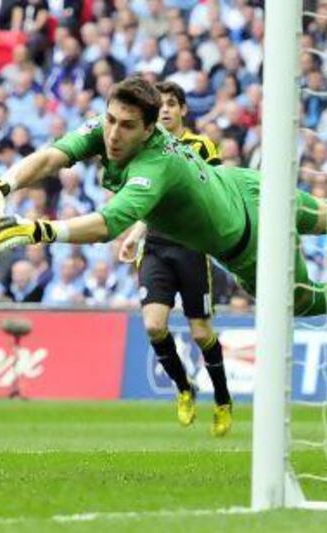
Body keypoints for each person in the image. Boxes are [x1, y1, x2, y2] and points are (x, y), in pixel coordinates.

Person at [0, 75, 327, 420]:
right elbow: (48, 156)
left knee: (306, 299)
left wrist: (42, 230)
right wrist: (0, 186)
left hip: (245, 241)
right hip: (244, 184)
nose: (112, 134)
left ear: (151, 128)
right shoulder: (109, 130)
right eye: (109, 120)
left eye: (126, 126)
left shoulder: (156, 164)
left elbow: (109, 224)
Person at [117, 81, 232, 436]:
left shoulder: (201, 146)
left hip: (192, 248)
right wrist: (134, 236)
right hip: (156, 246)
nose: (165, 110)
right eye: (161, 105)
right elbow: (146, 200)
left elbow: (218, 190)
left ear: (183, 109)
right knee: (153, 325)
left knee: (200, 332)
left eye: (171, 104)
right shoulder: (146, 151)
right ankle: (184, 387)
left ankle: (223, 400)